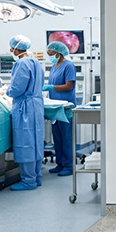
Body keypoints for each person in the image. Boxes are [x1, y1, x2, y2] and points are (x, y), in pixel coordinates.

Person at [5, 35, 45, 191]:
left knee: (26, 143)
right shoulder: (35, 62)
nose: (11, 51)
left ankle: (28, 180)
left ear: (15, 49)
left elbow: (17, 89)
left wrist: (6, 91)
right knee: (36, 142)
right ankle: (37, 176)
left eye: (12, 48)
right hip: (36, 106)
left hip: (25, 107)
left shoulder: (21, 63)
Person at [43, 41, 76, 176]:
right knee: (57, 136)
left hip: (66, 106)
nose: (49, 56)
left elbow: (68, 86)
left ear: (58, 53)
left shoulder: (69, 66)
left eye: (50, 53)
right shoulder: (54, 66)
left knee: (67, 137)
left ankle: (69, 165)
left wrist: (51, 87)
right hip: (55, 106)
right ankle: (60, 163)